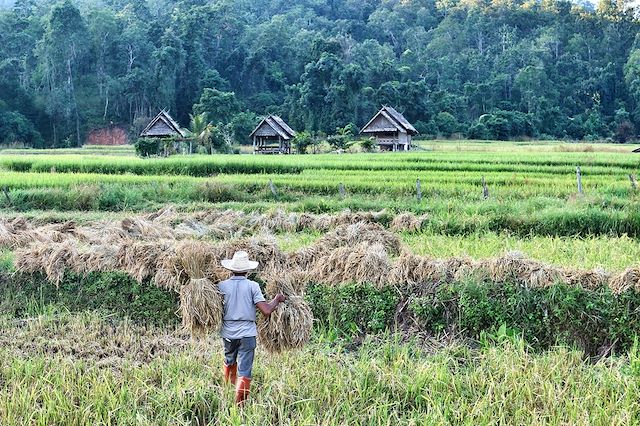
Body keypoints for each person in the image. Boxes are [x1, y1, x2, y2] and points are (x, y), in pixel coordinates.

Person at [218, 250, 286, 405]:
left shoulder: (221, 286)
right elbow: (266, 310)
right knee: (245, 369)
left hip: (228, 333)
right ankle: (239, 404)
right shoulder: (252, 286)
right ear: (247, 270)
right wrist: (277, 299)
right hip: (247, 334)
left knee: (229, 360)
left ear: (231, 269)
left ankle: (228, 391)